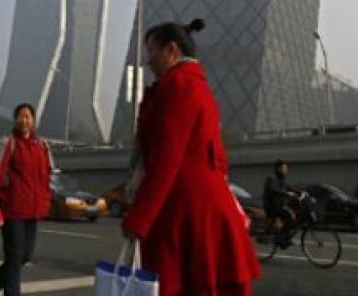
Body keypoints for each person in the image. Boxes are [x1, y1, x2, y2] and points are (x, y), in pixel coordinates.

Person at [122, 19, 261, 296]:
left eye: (152, 51)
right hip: (200, 204)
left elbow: (166, 159)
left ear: (171, 50)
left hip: (186, 209)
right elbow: (219, 159)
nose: (148, 61)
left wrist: (140, 218)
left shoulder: (179, 87)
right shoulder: (197, 87)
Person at [0, 103, 53, 296]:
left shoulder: (42, 145)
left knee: (24, 256)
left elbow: (47, 176)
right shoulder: (6, 143)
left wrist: (47, 200)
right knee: (14, 257)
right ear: (15, 120)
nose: (24, 120)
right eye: (20, 116)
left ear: (34, 120)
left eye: (28, 116)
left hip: (33, 210)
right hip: (12, 210)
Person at [262, 160, 300, 247]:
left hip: (279, 206)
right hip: (272, 207)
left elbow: (290, 188)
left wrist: (301, 193)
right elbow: (273, 190)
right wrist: (286, 193)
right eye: (284, 168)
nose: (286, 170)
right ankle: (281, 239)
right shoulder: (271, 179)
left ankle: (283, 237)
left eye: (286, 168)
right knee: (289, 217)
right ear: (278, 168)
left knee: (295, 216)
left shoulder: (282, 180)